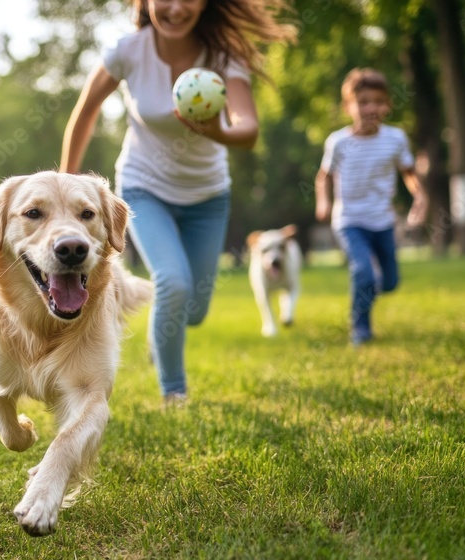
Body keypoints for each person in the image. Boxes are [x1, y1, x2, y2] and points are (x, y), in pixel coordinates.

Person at [60, 0, 296, 405]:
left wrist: (215, 131)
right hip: (143, 188)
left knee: (195, 308)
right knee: (174, 281)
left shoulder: (224, 54)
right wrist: (65, 184)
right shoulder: (129, 50)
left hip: (207, 195)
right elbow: (86, 111)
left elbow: (249, 129)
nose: (175, 7)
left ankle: (161, 331)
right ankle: (175, 392)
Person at [314, 67, 428, 346]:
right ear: (348, 106)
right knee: (363, 270)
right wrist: (324, 201)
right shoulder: (338, 142)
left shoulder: (395, 138)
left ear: (387, 104)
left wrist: (420, 197)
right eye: (363, 102)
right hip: (350, 220)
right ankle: (360, 329)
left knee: (389, 282)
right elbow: (323, 177)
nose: (371, 108)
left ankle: (366, 291)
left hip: (383, 221)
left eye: (378, 101)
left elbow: (409, 173)